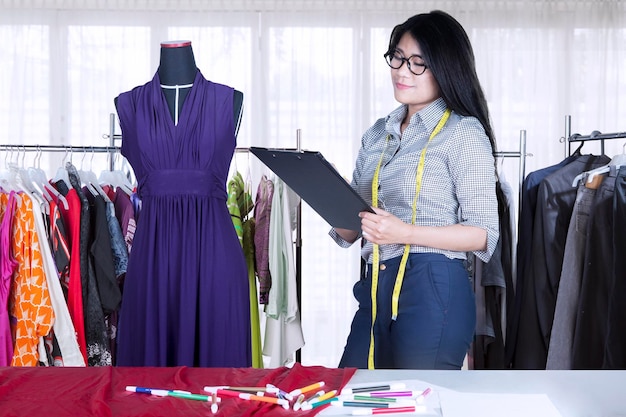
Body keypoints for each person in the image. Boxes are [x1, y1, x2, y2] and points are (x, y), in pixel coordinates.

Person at [331, 10, 499, 370]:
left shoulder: (464, 133)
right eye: (398, 57)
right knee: (350, 393)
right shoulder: (378, 132)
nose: (402, 71)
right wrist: (318, 189)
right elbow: (349, 228)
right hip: (377, 283)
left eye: (418, 63)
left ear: (445, 68)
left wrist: (404, 232)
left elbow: (483, 234)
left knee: (419, 401)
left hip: (433, 285)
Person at [114, 41, 252, 367]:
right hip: (153, 261)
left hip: (214, 258)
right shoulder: (130, 104)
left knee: (217, 380)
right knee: (149, 380)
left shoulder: (228, 100)